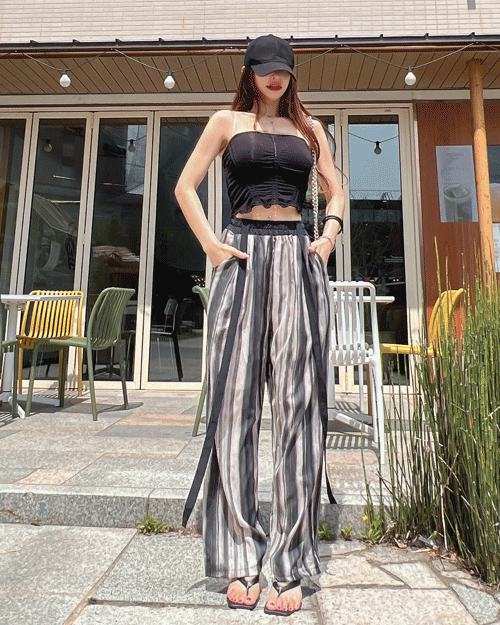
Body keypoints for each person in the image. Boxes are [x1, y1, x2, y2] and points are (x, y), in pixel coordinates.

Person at [175, 34, 344, 617]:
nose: (276, 78)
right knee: (235, 408)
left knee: (297, 408)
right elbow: (184, 186)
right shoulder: (225, 122)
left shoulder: (310, 130)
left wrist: (327, 238)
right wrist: (212, 246)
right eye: (265, 69)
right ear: (249, 73)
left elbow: (337, 190)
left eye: (284, 70)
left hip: (296, 255)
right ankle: (241, 554)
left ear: (292, 74)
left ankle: (291, 560)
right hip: (242, 254)